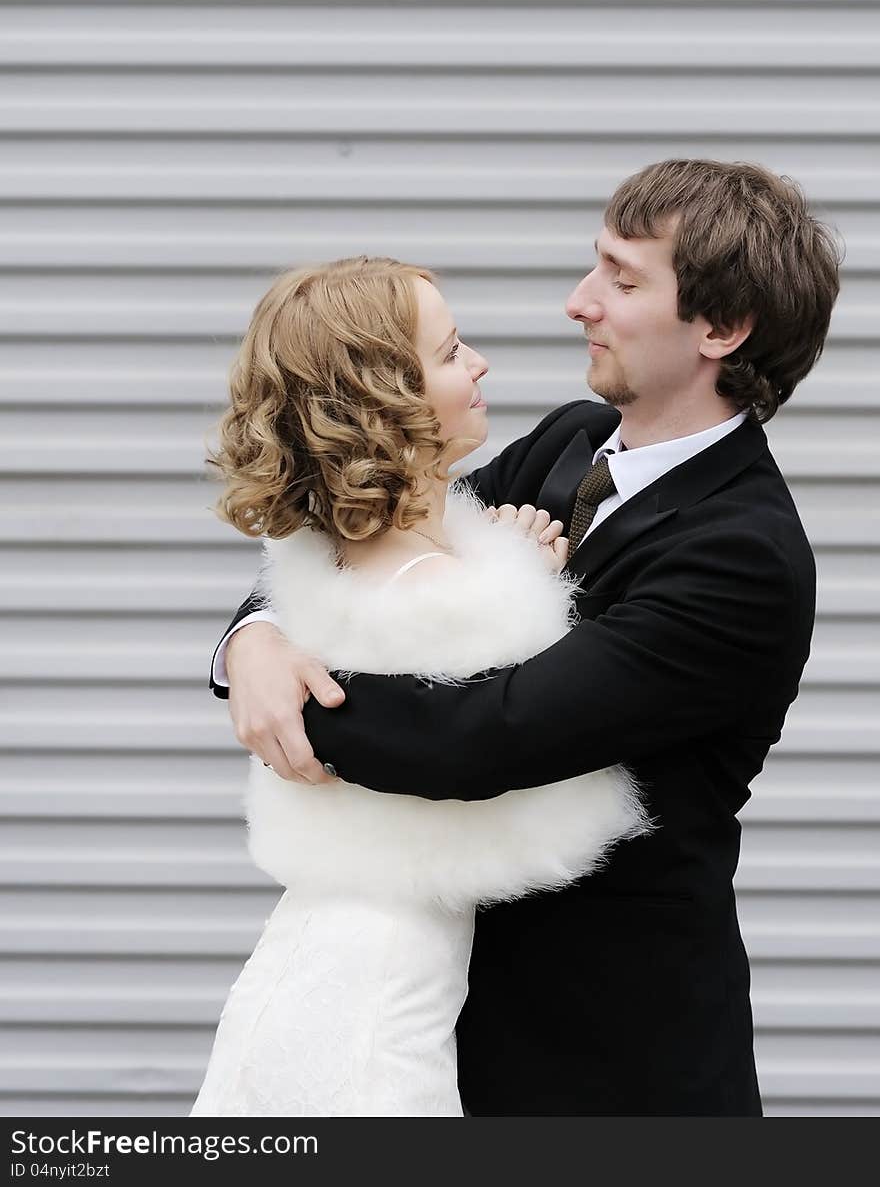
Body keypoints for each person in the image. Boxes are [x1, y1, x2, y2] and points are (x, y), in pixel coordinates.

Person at [213, 158, 842, 1116]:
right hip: (446, 1024)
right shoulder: (569, 439)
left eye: (624, 280)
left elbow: (483, 735)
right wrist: (251, 643)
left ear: (721, 329)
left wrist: (300, 701)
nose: (578, 303)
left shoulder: (741, 555)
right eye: (596, 265)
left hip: (602, 1059)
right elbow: (355, 536)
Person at [190, 256, 648, 1117]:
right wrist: (527, 576)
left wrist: (253, 633)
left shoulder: (330, 561)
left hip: (309, 955)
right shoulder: (447, 593)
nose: (479, 365)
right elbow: (553, 797)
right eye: (451, 351)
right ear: (384, 401)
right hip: (376, 1000)